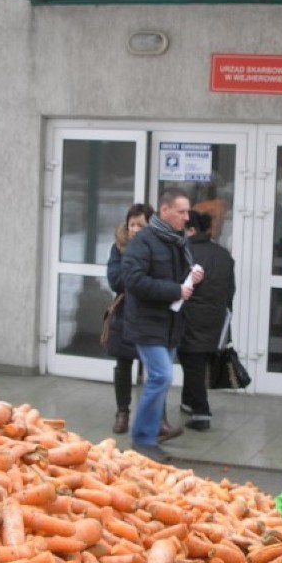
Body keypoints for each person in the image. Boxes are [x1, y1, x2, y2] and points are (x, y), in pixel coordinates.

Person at [121, 188, 204, 462]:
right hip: (147, 323)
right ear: (165, 211)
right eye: (181, 212)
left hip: (169, 324)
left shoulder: (177, 242)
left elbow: (177, 280)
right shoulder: (143, 242)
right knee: (160, 377)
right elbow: (133, 280)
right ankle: (142, 439)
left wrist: (191, 278)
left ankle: (153, 432)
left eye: (187, 211)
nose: (186, 217)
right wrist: (175, 290)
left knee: (161, 379)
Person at [178, 210, 235, 431]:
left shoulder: (186, 252)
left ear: (191, 230)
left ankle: (201, 413)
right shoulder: (223, 254)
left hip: (190, 318)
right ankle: (187, 402)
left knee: (192, 364)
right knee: (195, 364)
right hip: (215, 319)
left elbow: (181, 287)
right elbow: (231, 290)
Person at [106, 203, 156, 434]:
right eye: (132, 224)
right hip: (125, 315)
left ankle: (152, 417)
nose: (135, 229)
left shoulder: (158, 248)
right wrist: (138, 276)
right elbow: (115, 280)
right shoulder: (119, 247)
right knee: (123, 364)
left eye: (141, 225)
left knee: (154, 367)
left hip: (149, 314)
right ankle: (122, 412)